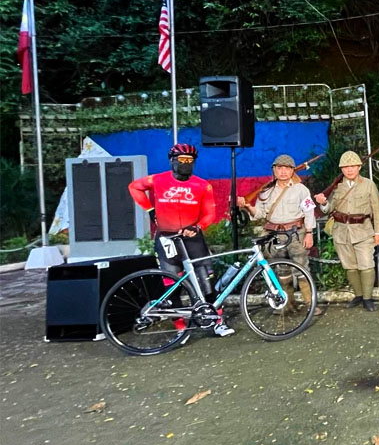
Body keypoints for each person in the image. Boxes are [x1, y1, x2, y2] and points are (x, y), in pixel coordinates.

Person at [128, 143, 233, 337]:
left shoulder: (202, 185)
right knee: (172, 285)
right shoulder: (158, 180)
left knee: (206, 283)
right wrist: (150, 210)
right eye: (182, 160)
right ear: (172, 161)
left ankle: (217, 321)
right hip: (166, 238)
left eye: (190, 160)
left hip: (193, 239)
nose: (186, 163)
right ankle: (180, 329)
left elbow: (210, 214)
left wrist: (198, 226)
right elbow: (134, 187)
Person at [236, 154, 321, 316]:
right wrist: (247, 206)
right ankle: (287, 304)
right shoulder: (266, 191)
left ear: (292, 170)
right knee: (281, 270)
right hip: (274, 235)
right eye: (279, 168)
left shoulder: (301, 189)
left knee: (303, 268)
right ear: (274, 170)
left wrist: (309, 232)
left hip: (296, 233)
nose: (283, 172)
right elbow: (259, 214)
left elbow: (309, 211)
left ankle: (310, 304)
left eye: (287, 168)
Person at [313, 151, 379, 312]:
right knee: (350, 266)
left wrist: (378, 232)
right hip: (341, 231)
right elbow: (328, 209)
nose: (349, 170)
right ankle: (358, 295)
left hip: (363, 230)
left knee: (366, 264)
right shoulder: (337, 186)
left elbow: (377, 210)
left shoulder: (368, 184)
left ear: (359, 167)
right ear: (341, 169)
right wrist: (323, 203)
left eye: (353, 166)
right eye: (346, 167)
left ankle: (367, 298)